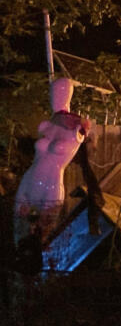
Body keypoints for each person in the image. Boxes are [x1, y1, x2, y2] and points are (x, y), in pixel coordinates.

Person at [14, 78, 90, 256]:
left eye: (60, 92)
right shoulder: (49, 124)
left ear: (68, 95)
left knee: (42, 234)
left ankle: (37, 268)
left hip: (52, 185)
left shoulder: (76, 128)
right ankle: (18, 266)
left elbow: (81, 136)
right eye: (53, 92)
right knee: (19, 230)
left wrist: (83, 129)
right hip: (30, 180)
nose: (55, 96)